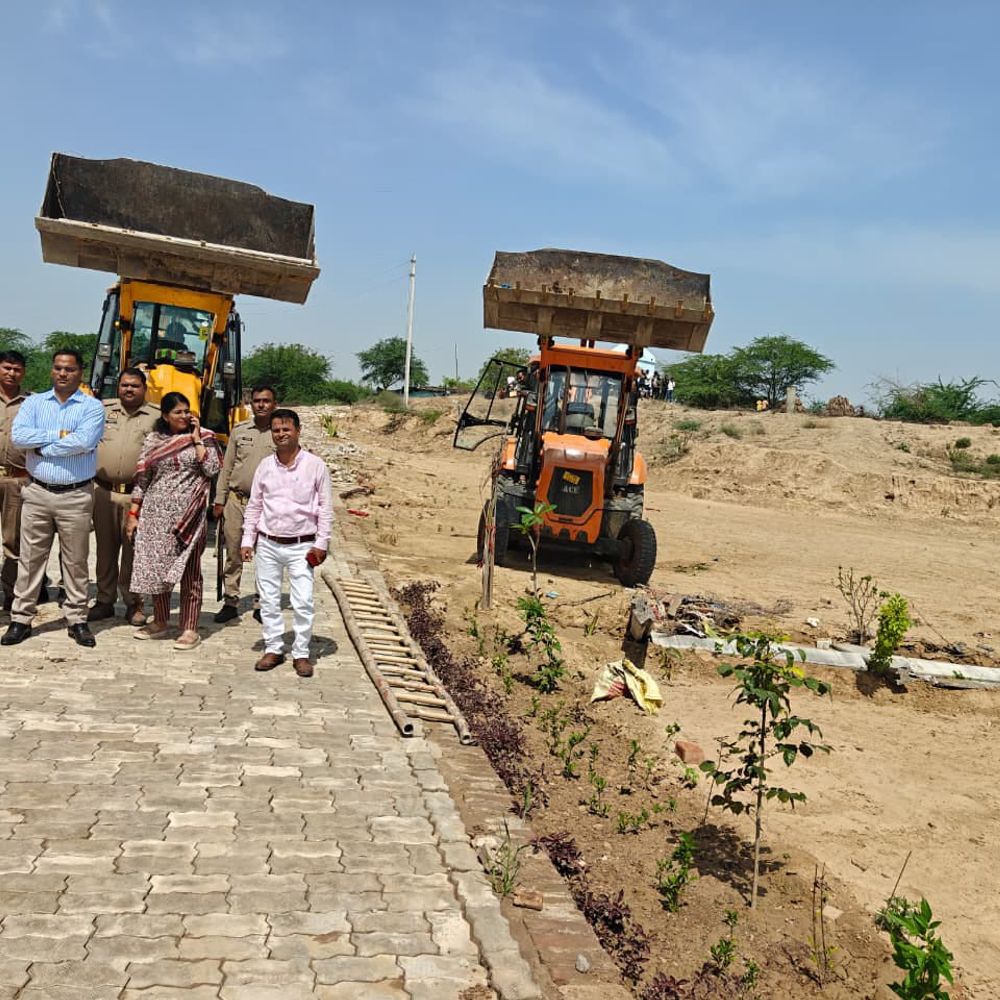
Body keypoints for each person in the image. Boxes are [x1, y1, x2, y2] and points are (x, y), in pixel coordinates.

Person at [1, 349, 105, 648]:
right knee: (30, 559)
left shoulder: (92, 407)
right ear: (51, 371)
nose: (63, 373)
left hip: (75, 494)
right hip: (36, 492)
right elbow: (20, 437)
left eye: (69, 369)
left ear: (80, 373)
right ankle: (21, 618)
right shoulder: (34, 402)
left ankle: (77, 619)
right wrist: (61, 434)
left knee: (75, 561)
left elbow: (85, 440)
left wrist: (44, 445)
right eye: (58, 368)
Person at [126, 392, 221, 650]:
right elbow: (142, 479)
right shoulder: (154, 440)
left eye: (187, 410)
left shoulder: (207, 438)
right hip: (156, 516)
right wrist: (133, 515)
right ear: (165, 416)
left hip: (189, 515)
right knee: (159, 570)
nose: (184, 415)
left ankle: (190, 628)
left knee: (190, 572)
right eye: (178, 412)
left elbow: (212, 469)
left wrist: (197, 439)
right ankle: (160, 620)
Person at [241, 408, 332, 678]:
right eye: (276, 430)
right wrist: (249, 539)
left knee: (302, 600)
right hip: (268, 543)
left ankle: (302, 653)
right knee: (268, 599)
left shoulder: (316, 466)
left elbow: (326, 508)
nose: (281, 434)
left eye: (286, 429)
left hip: (302, 545)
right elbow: (255, 505)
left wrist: (322, 544)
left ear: (297, 430)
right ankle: (274, 648)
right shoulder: (265, 466)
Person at [88, 368, 159, 625]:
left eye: (135, 386)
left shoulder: (156, 417)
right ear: (118, 387)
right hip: (103, 491)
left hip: (136, 496)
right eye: (124, 385)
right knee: (105, 550)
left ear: (144, 388)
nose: (129, 389)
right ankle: (105, 601)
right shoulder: (102, 410)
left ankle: (133, 603)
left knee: (133, 551)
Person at [213, 384, 278, 624]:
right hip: (237, 501)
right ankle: (231, 600)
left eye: (266, 401)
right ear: (251, 404)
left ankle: (262, 603)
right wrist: (219, 500)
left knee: (266, 555)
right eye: (257, 401)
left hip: (268, 505)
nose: (261, 405)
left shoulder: (280, 433)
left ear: (275, 404)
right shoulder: (239, 432)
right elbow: (227, 467)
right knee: (232, 552)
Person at [0, 350, 29, 612]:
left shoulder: (31, 403)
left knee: (14, 540)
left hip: (17, 479)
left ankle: (11, 594)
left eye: (16, 369)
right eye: (7, 367)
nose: (11, 373)